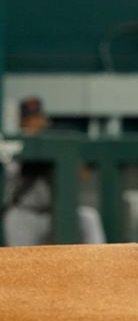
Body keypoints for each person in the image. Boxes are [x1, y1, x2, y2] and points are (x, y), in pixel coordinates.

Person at [2, 97, 106, 246]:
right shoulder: (14, 145)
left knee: (88, 217)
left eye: (38, 118)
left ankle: (104, 266)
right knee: (22, 263)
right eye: (30, 119)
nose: (35, 123)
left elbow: (84, 175)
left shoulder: (56, 143)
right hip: (24, 214)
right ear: (22, 122)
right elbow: (12, 172)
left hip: (53, 214)